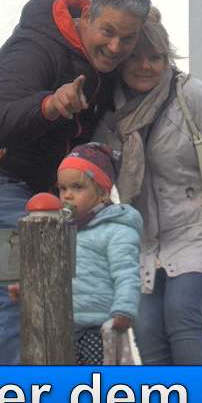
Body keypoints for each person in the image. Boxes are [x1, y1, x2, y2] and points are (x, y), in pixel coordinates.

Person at [0, 0, 150, 363]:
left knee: (64, 292)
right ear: (87, 17)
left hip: (46, 190)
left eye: (127, 39)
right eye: (108, 32)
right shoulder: (35, 48)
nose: (115, 47)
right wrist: (49, 105)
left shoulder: (104, 63)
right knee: (23, 294)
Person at [100, 11, 202, 364]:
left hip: (198, 228)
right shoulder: (111, 108)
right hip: (146, 238)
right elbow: (94, 164)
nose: (146, 66)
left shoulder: (189, 94)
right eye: (136, 57)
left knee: (181, 313)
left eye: (156, 57)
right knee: (147, 330)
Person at [56, 143, 142, 364]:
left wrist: (124, 309)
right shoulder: (62, 231)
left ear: (103, 193)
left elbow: (126, 273)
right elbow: (50, 273)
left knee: (98, 380)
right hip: (65, 328)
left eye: (77, 187)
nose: (67, 196)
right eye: (62, 189)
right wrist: (26, 288)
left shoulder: (116, 230)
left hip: (100, 328)